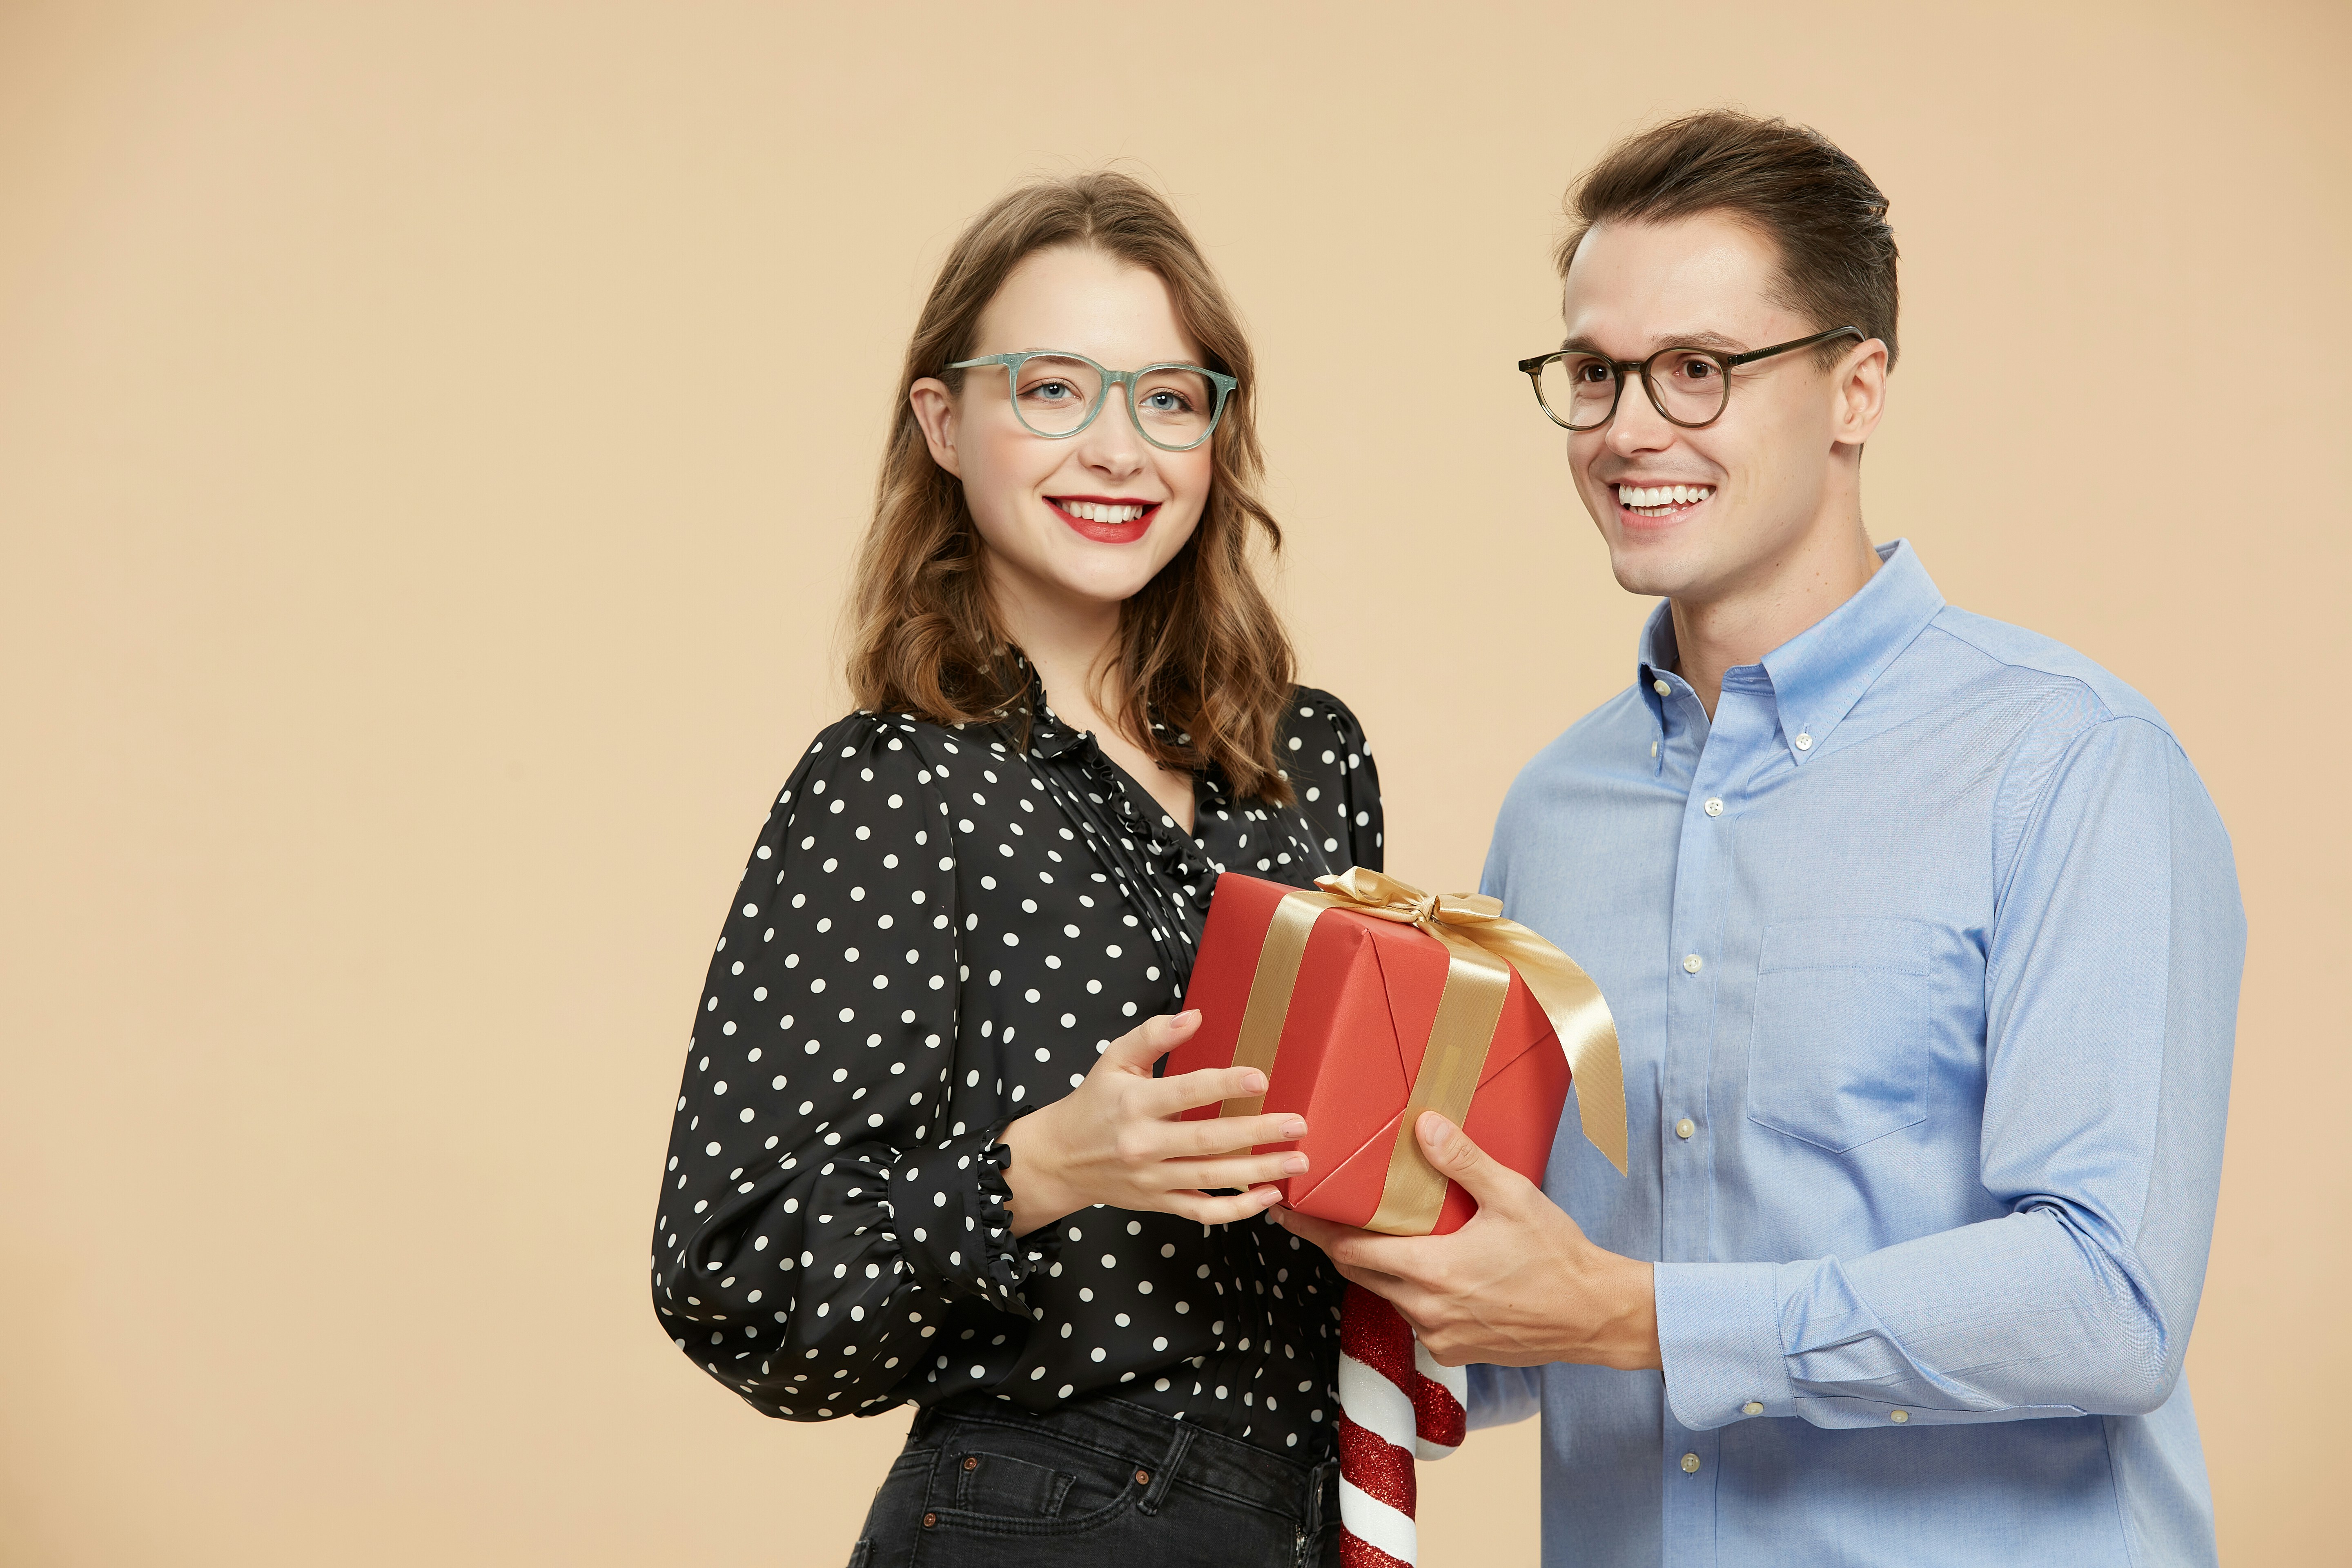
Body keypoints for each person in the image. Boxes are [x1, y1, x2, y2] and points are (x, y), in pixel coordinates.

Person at [1276, 111, 2244, 1566]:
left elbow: (2111, 1302)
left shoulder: (2071, 763)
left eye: (1699, 369)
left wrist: (1641, 1316)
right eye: (1594, 372)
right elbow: (1525, 1321)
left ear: (1857, 388)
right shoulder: (1557, 810)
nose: (1628, 429)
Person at [649, 171, 1381, 1567]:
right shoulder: (894, 786)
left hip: (1294, 1513)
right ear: (943, 422)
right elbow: (739, 1281)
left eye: (1168, 400)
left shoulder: (1305, 760)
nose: (1119, 450)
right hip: (1043, 1513)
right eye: (1053, 391)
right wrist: (1041, 1166)